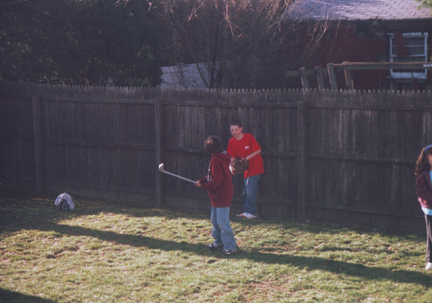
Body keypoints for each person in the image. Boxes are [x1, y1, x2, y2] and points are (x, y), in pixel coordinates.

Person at [196, 135, 237, 255]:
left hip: (222, 194)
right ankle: (219, 241)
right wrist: (202, 181)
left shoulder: (217, 159)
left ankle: (230, 246)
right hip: (216, 195)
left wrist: (204, 186)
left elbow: (217, 180)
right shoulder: (218, 157)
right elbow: (212, 175)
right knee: (215, 219)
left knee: (222, 221)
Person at [227, 120, 264, 219]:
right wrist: (231, 167)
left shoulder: (249, 137)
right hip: (245, 168)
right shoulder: (231, 141)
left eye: (236, 129)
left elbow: (258, 150)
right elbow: (233, 157)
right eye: (232, 130)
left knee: (250, 189)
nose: (234, 132)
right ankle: (246, 212)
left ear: (241, 129)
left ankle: (252, 212)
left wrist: (246, 158)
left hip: (255, 166)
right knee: (246, 190)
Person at [415, 144, 432, 270]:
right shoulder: (423, 175)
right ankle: (430, 260)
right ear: (426, 158)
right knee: (431, 234)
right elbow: (421, 192)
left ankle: (430, 259)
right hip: (430, 208)